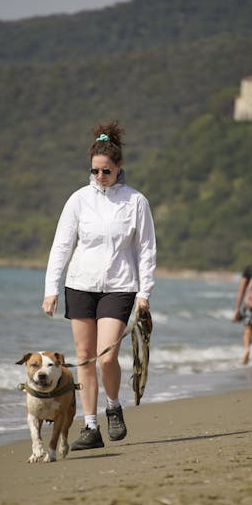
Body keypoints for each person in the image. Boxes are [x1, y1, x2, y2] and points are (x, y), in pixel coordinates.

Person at [42, 120, 156, 450]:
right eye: (94, 171)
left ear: (119, 168)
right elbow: (62, 245)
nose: (99, 178)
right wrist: (52, 288)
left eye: (106, 171)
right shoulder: (78, 200)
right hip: (80, 285)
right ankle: (90, 428)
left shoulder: (136, 202)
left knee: (106, 357)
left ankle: (113, 406)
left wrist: (144, 292)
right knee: (84, 358)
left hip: (120, 285)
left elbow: (146, 248)